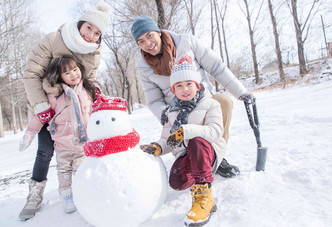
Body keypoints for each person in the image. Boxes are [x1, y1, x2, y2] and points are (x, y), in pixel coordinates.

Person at [130, 14, 255, 178]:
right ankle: (190, 158)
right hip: (177, 109)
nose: (148, 43)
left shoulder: (186, 42)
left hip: (203, 99)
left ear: (158, 32)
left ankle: (217, 155)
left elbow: (217, 67)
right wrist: (165, 113)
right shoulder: (145, 68)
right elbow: (153, 100)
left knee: (223, 101)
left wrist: (241, 92)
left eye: (149, 35)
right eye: (141, 41)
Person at [19, 1, 111, 220]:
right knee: (45, 151)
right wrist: (42, 106)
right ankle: (35, 194)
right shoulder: (54, 38)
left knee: (82, 153)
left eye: (97, 33)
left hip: (77, 112)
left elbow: (90, 81)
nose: (91, 35)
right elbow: (31, 72)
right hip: (49, 107)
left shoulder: (93, 54)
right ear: (81, 23)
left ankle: (84, 189)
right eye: (89, 27)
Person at [141, 55, 225, 226]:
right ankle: (198, 173)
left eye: (189, 84)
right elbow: (167, 139)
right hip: (186, 154)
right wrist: (158, 147)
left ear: (197, 85)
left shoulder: (210, 104)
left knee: (196, 142)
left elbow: (215, 131)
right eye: (179, 85)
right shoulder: (171, 112)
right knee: (177, 182)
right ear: (173, 90)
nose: (185, 89)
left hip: (209, 152)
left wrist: (185, 131)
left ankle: (204, 195)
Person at [20, 55, 97, 214]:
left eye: (75, 69)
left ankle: (84, 193)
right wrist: (30, 133)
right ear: (59, 76)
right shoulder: (55, 96)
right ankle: (66, 194)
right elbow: (39, 115)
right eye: (67, 73)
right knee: (63, 171)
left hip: (83, 144)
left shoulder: (87, 91)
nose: (73, 74)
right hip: (62, 144)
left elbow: (98, 109)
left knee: (81, 170)